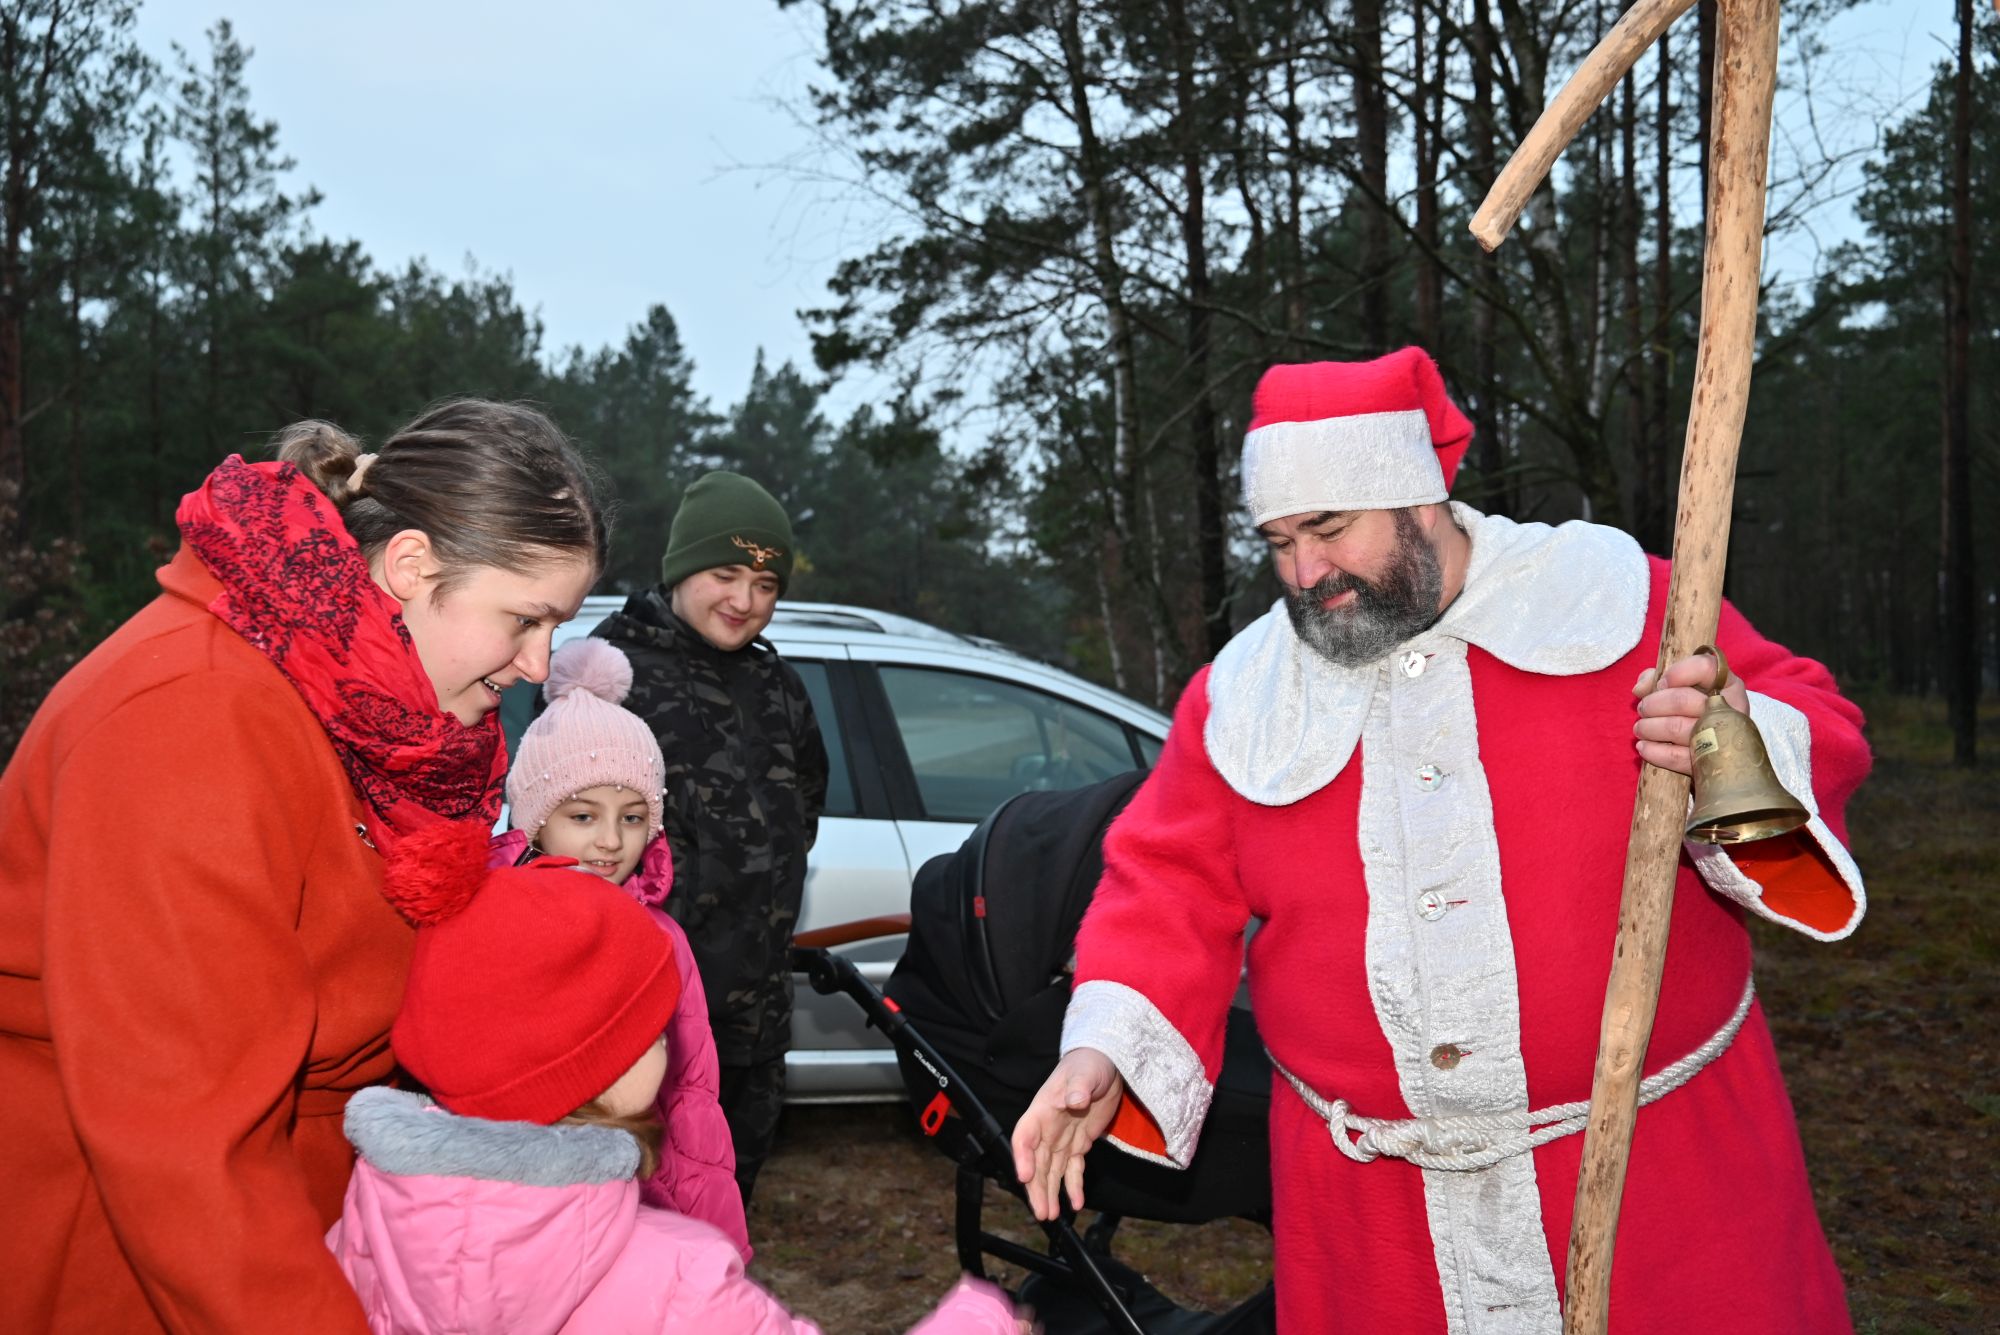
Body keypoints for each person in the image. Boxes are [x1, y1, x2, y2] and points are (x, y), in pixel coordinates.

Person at [1011, 348, 1870, 1334]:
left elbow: (1819, 717)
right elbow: (1161, 888)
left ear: (1418, 499)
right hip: (1376, 1229)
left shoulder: (1623, 603)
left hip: (1659, 1182)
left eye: (1329, 528)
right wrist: (1103, 1050)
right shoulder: (1242, 694)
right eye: (1279, 541)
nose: (1304, 573)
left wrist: (1734, 739)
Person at [0, 402, 607, 1333]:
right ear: (411, 566)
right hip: (133, 1259)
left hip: (298, 1217)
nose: (538, 662)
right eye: (525, 619)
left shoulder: (373, 717)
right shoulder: (190, 718)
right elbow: (180, 1138)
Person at [328, 820, 1022, 1335]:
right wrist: (981, 1318)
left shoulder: (371, 1215)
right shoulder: (675, 1275)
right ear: (597, 1069)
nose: (670, 1042)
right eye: (653, 1029)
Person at [594, 470, 828, 1204]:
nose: (745, 601)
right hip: (649, 1023)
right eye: (726, 575)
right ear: (682, 568)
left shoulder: (779, 687)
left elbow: (803, 815)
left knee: (727, 1202)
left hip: (756, 1026)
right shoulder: (610, 674)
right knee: (637, 1214)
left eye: (765, 584)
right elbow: (568, 844)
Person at [493, 634, 748, 1257]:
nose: (610, 841)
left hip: (643, 1208)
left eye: (633, 817)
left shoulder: (662, 938)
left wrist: (707, 1236)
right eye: (583, 816)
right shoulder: (493, 928)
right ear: (535, 821)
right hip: (524, 1219)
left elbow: (690, 1096)